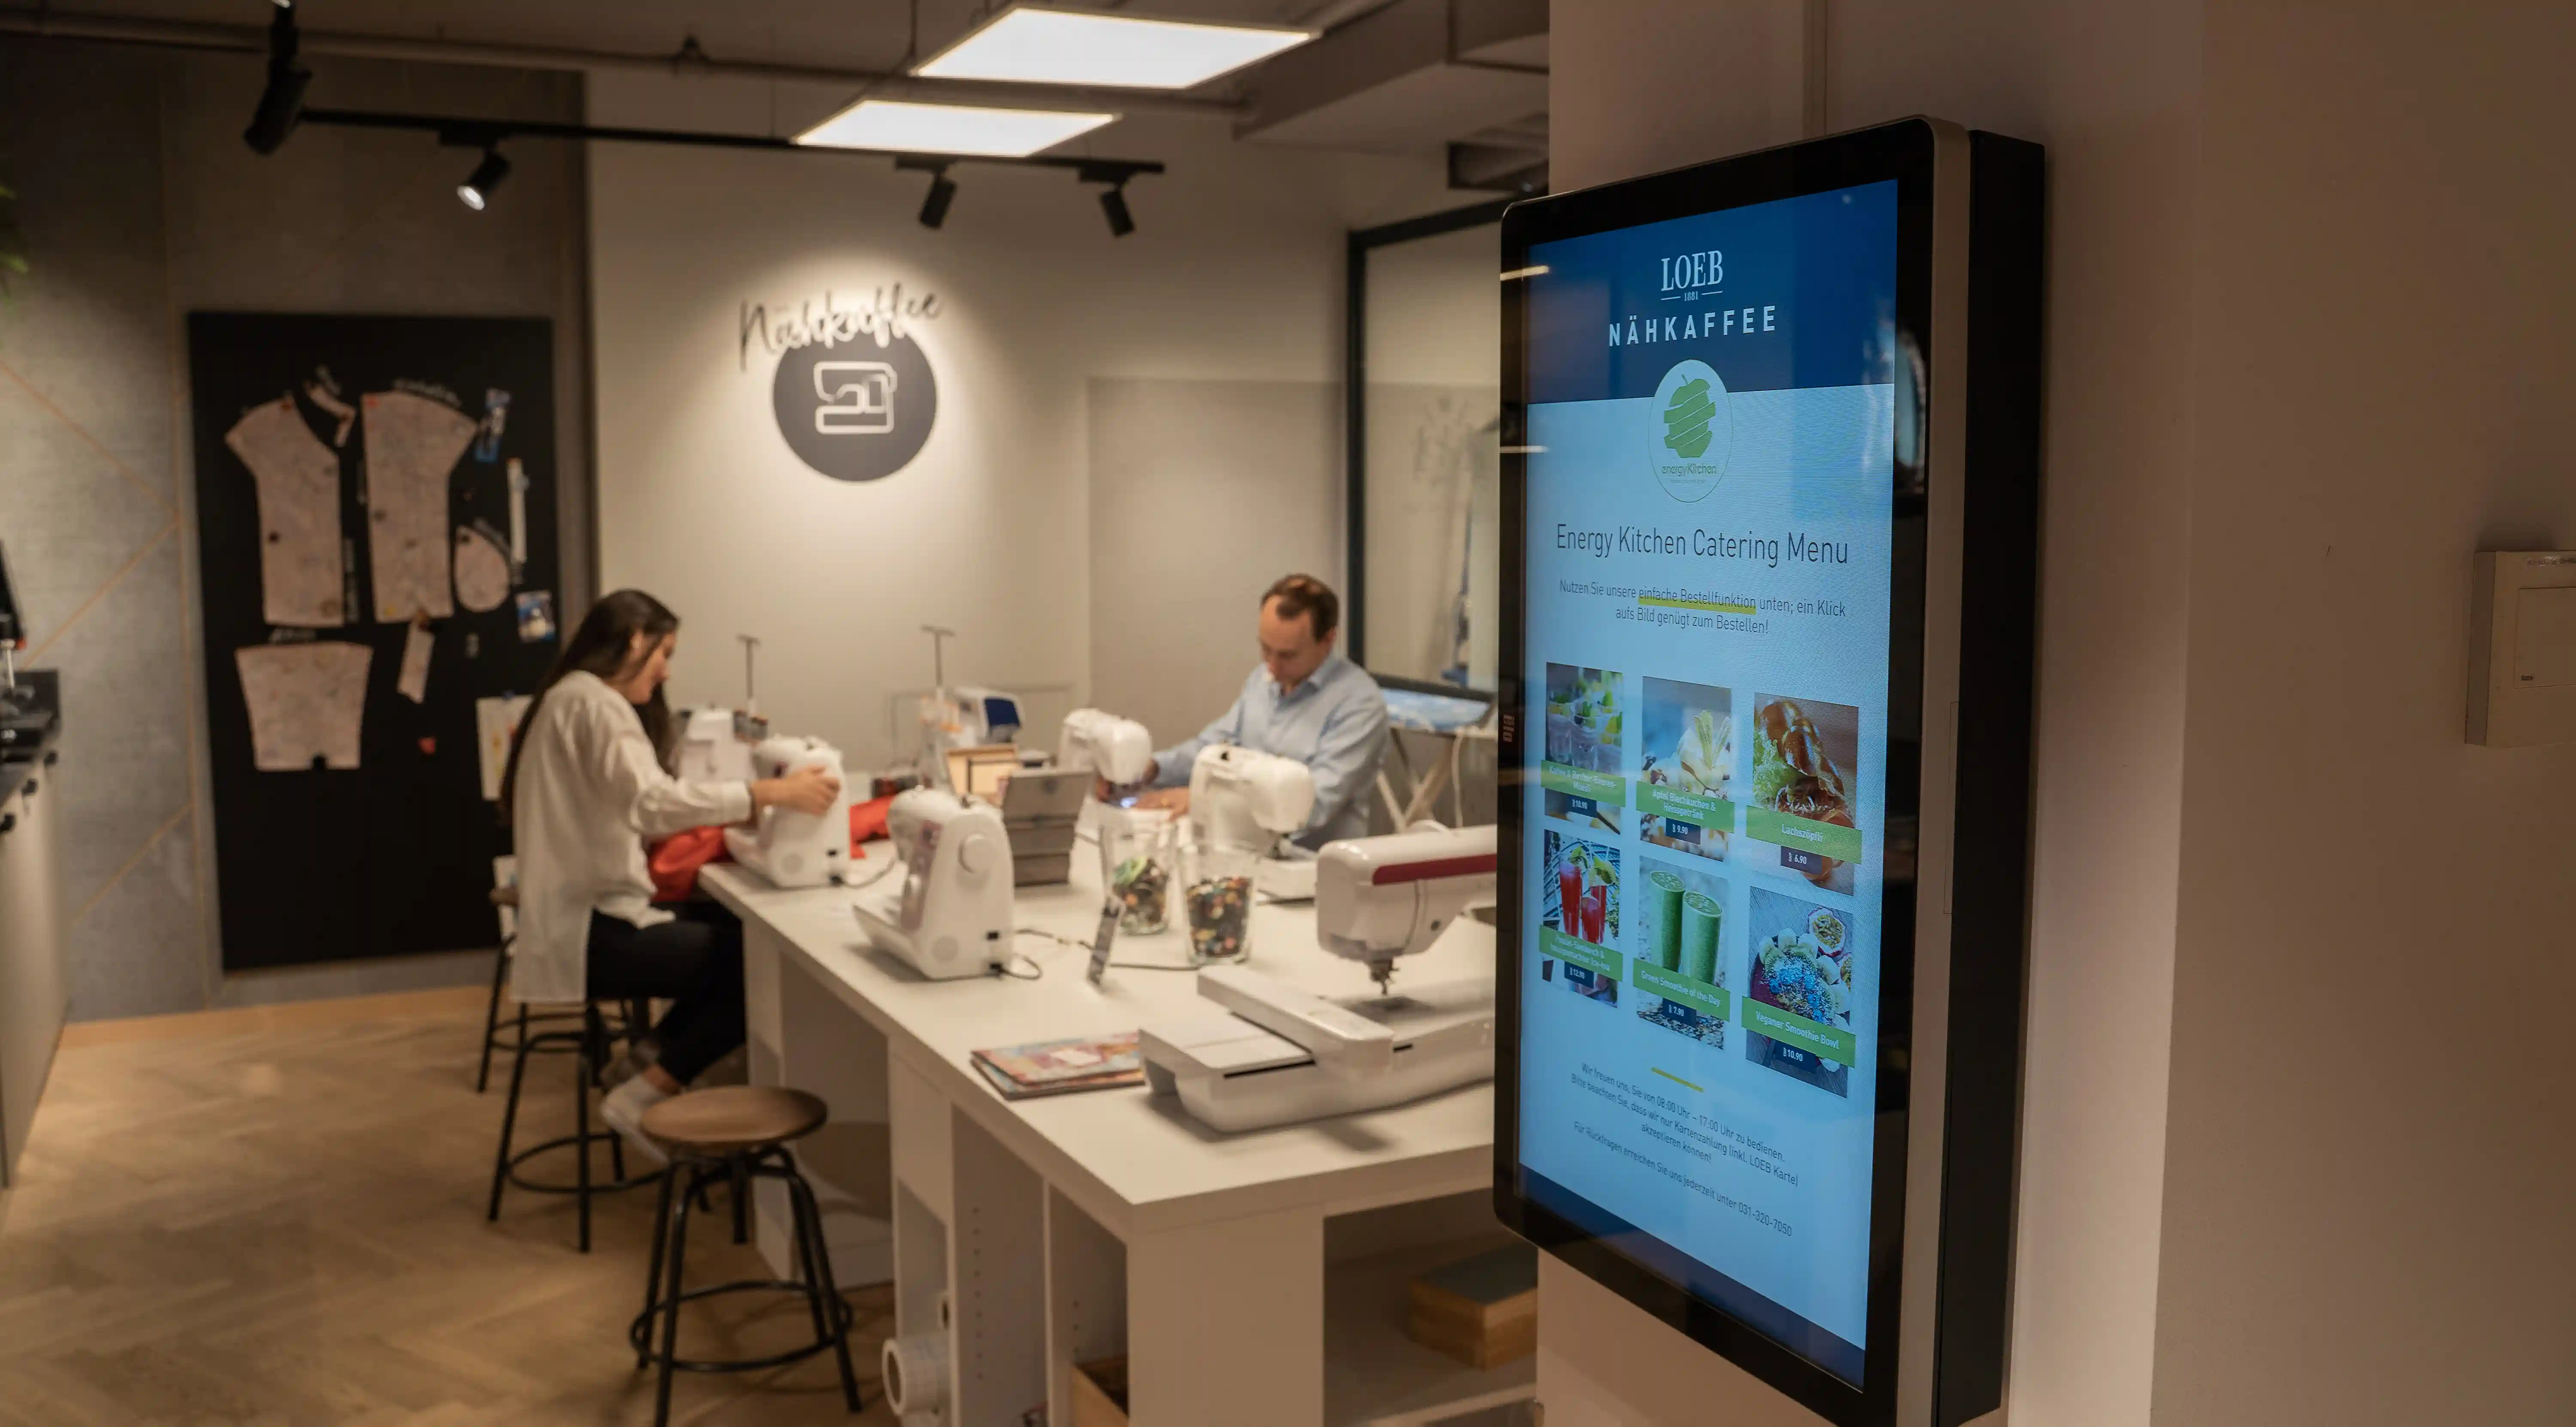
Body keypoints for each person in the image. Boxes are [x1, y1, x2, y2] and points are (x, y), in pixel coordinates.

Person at [498, 590, 841, 1160]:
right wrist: (768, 794)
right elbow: (652, 803)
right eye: (665, 653)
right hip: (592, 929)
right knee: (757, 964)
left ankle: (643, 1060)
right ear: (636, 639)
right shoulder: (597, 705)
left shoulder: (566, 699)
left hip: (580, 919)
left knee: (724, 932)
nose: (667, 671)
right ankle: (646, 1091)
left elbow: (634, 803)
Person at [1132, 574, 1387, 848]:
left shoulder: (1360, 705)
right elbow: (1216, 748)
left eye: (1287, 655)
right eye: (1265, 649)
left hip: (1311, 865)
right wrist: (1151, 769)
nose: (1272, 666)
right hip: (1244, 850)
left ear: (1328, 639)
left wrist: (1204, 801)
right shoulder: (1262, 682)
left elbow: (1311, 804)